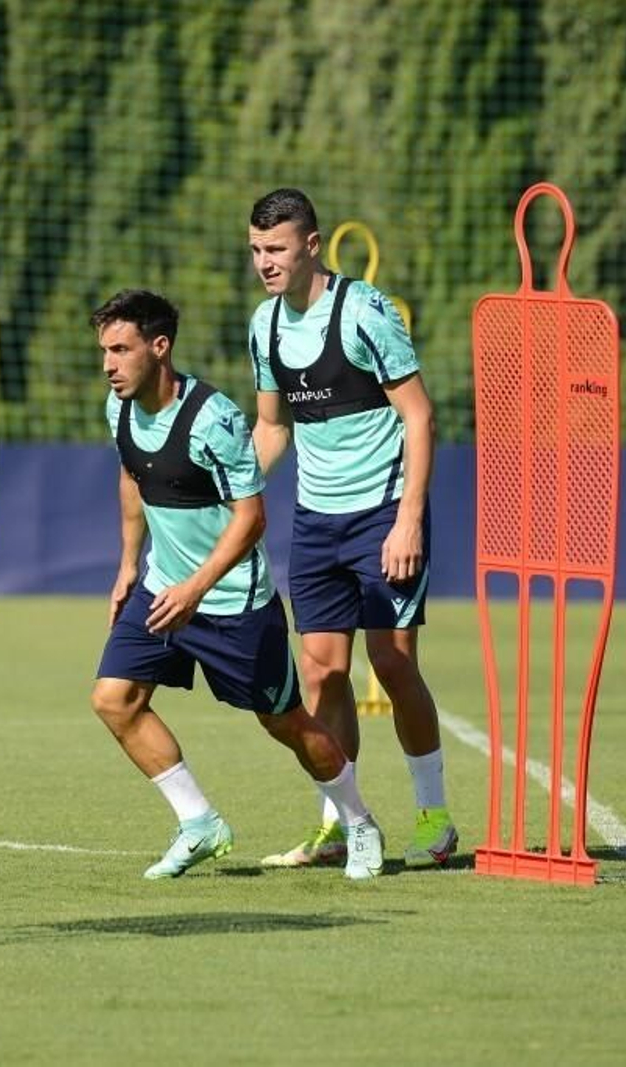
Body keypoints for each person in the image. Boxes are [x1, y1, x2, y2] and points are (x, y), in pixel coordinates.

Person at [89, 288, 385, 881]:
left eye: (121, 350)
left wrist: (195, 589)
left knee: (287, 724)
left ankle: (358, 822)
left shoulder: (213, 420)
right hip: (162, 589)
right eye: (105, 351)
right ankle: (199, 824)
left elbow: (252, 518)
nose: (109, 364)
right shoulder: (118, 408)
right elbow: (131, 476)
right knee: (113, 700)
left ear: (160, 346)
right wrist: (129, 564)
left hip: (232, 604)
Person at [245, 188, 458, 870]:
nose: (264, 262)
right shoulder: (264, 326)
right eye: (255, 250)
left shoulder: (366, 312)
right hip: (316, 522)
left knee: (392, 663)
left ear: (312, 244)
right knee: (323, 675)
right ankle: (339, 823)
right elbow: (273, 426)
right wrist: (233, 491)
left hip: (384, 515)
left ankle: (436, 817)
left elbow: (419, 417)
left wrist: (408, 522)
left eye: (276, 248)